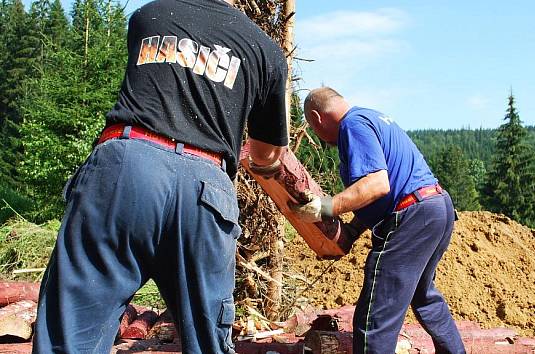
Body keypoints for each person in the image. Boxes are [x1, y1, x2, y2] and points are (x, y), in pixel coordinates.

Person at [33, 0, 288, 352]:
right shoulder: (266, 50)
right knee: (208, 339)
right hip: (206, 186)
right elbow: (268, 154)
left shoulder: (148, 16)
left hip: (127, 165)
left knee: (72, 334)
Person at [292, 87, 466, 354]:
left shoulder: (352, 125)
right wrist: (350, 230)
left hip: (413, 214)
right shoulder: (370, 118)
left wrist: (326, 206)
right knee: (424, 297)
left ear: (316, 118)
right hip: (435, 207)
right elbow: (378, 194)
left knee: (375, 315)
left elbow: (376, 185)